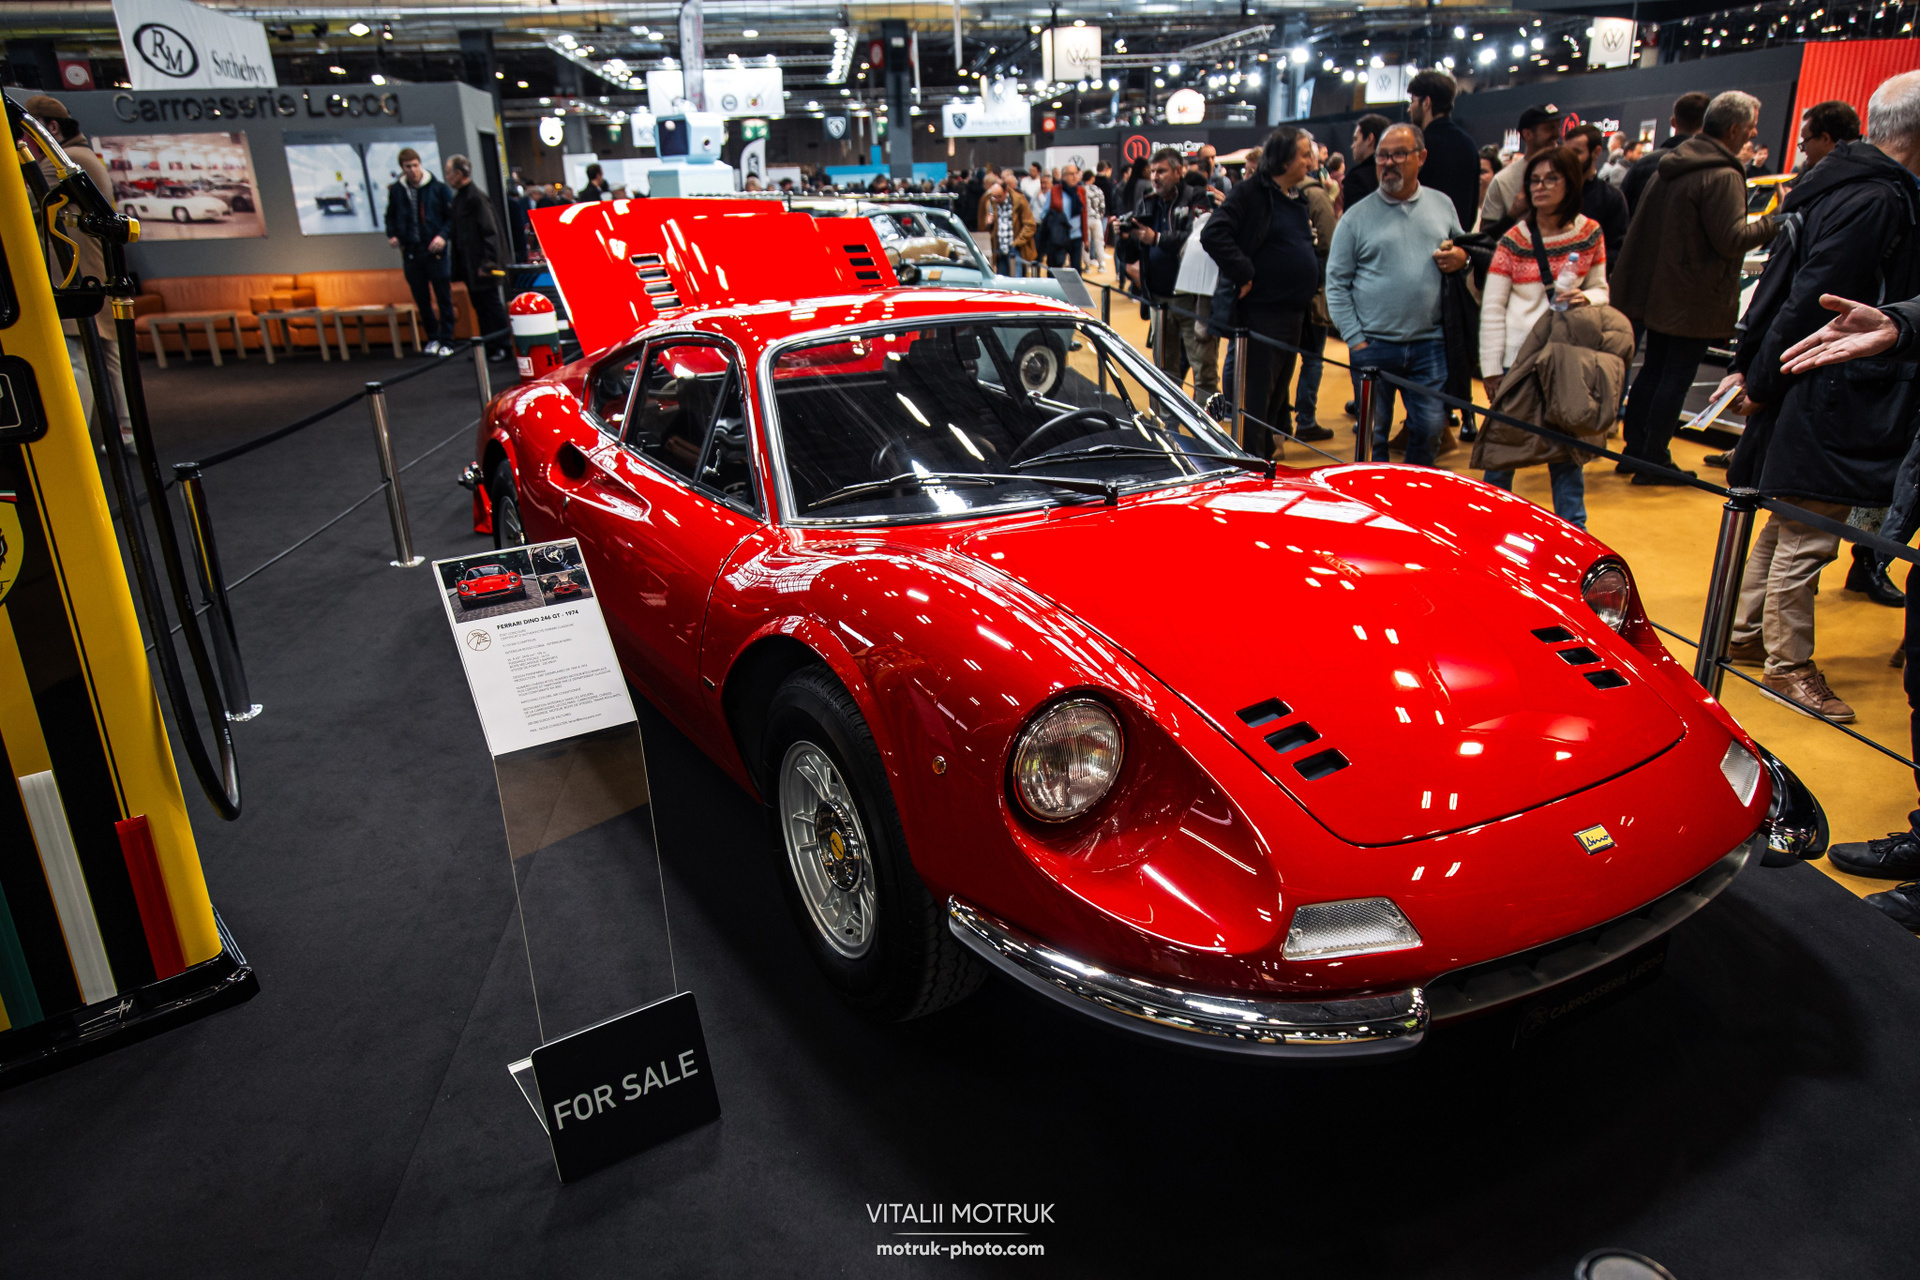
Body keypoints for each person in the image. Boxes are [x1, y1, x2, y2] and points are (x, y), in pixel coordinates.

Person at [1712, 71, 1920, 722]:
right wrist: (1764, 376)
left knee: (1789, 520)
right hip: (1834, 385)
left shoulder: (1837, 184)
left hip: (1817, 379)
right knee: (1810, 531)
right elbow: (1816, 298)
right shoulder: (1878, 198)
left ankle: (1748, 633)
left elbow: (1790, 288)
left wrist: (1759, 370)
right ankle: (1788, 664)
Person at [1612, 91, 1778, 482]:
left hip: (1659, 290)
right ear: (1734, 129)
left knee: (1654, 369)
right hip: (1694, 296)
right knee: (1675, 376)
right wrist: (1776, 221)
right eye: (1752, 126)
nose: (1754, 133)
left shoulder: (1670, 166)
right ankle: (1654, 459)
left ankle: (1636, 452)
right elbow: (1732, 239)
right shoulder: (1723, 174)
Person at [1474, 146, 1616, 527]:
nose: (1540, 187)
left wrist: (1587, 297)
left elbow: (1601, 288)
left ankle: (1574, 532)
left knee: (1566, 455)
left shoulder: (1589, 233)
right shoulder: (1514, 240)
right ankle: (1487, 527)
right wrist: (1492, 368)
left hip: (1565, 357)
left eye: (1551, 178)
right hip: (1518, 361)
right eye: (1534, 180)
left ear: (1570, 184)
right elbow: (1493, 307)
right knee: (1502, 452)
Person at [1326, 122, 1472, 466]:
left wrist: (1462, 258)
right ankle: (1373, 491)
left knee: (1431, 427)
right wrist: (1356, 340)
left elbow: (1465, 250)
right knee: (1372, 433)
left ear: (1421, 157)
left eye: (1399, 155)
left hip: (1429, 344)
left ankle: (1413, 488)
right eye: (1382, 156)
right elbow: (1336, 283)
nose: (1388, 163)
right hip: (1372, 345)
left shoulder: (1442, 205)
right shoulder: (1355, 218)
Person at [1201, 127, 1325, 459]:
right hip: (1262, 316)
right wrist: (1243, 272)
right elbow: (1214, 234)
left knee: (1274, 403)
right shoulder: (1251, 192)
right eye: (1304, 155)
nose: (1310, 162)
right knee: (1255, 405)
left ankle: (1265, 461)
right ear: (1283, 159)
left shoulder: (1295, 196)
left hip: (1293, 315)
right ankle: (1251, 466)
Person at [22, 94, 132, 449]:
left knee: (77, 358)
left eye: (28, 135)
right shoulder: (84, 158)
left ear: (51, 128)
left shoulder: (65, 161)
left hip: (74, 275)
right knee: (107, 358)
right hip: (92, 271)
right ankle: (125, 430)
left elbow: (27, 204)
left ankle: (78, 441)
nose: (25, 144)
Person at [1115, 148, 1198, 380]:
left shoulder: (1194, 198)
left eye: (1161, 171)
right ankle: (1168, 407)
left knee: (1202, 368)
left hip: (1189, 297)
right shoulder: (1147, 202)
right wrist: (1124, 239)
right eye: (1152, 172)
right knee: (1164, 369)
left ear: (1178, 171)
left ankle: (1204, 407)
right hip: (1157, 297)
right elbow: (1130, 254)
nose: (1155, 177)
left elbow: (1194, 239)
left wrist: (1157, 239)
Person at [384, 147, 458, 356]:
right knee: (422, 299)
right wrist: (392, 234)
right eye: (408, 167)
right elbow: (390, 216)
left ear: (420, 165)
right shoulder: (397, 191)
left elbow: (451, 218)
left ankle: (447, 340)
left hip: (435, 251)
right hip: (411, 251)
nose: (413, 170)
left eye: (415, 165)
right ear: (402, 168)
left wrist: (443, 236)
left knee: (443, 297)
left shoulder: (437, 188)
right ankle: (433, 337)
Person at [445, 155, 510, 362]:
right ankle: (490, 347)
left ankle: (503, 346)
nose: (447, 177)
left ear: (458, 173)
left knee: (491, 306)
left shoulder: (475, 198)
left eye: (449, 173)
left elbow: (490, 231)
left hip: (483, 266)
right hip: (471, 266)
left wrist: (488, 263)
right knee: (481, 307)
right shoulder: (461, 199)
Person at [1407, 70, 1479, 230]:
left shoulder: (1418, 145)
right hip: (1458, 240)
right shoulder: (1469, 144)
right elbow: (1472, 208)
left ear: (1426, 102)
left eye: (1412, 101)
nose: (1409, 109)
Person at [1480, 104, 1564, 237]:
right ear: (1528, 134)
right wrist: (1513, 213)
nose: (1557, 134)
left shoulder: (1568, 172)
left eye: (1557, 127)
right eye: (1549, 128)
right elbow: (1485, 236)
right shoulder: (1503, 180)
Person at [1624, 92, 1710, 214]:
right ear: (1707, 125)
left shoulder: (1643, 165)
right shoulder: (1715, 167)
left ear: (1673, 122)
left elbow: (1623, 212)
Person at [1565, 123, 1629, 264]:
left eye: (1577, 152)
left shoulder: (1611, 197)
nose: (1569, 159)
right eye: (1566, 153)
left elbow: (1618, 250)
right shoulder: (1554, 192)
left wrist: (1585, 262)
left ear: (1596, 152)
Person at [1040, 165, 1090, 271]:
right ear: (1064, 176)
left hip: (1076, 235)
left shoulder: (1081, 191)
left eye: (1076, 173)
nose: (1074, 176)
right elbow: (1044, 214)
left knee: (1076, 269)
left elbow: (1084, 215)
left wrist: (1086, 238)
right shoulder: (1054, 191)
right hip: (1058, 236)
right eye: (1071, 174)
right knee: (1055, 267)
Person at [980, 180, 1035, 277]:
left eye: (999, 196)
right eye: (994, 196)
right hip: (999, 249)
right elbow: (987, 227)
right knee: (1003, 280)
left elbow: (1030, 226)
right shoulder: (990, 201)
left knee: (1016, 280)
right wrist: (989, 223)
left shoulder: (1019, 201)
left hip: (1015, 248)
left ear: (1006, 191)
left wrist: (1016, 243)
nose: (996, 199)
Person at [1798, 100, 1863, 171]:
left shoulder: (1827, 174)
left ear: (1825, 139)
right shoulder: (1866, 166)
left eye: (1805, 141)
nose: (1802, 150)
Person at [1345, 113, 1390, 206]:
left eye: (1356, 139)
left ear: (1369, 139)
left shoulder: (1357, 179)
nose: (1352, 146)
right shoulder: (1394, 174)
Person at [1080, 168, 1107, 272]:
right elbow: (1102, 206)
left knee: (1085, 243)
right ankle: (1101, 265)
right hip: (1096, 219)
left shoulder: (1081, 190)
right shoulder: (1098, 190)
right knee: (1099, 242)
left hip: (1085, 220)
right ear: (1092, 178)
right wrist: (1099, 217)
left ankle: (1087, 267)